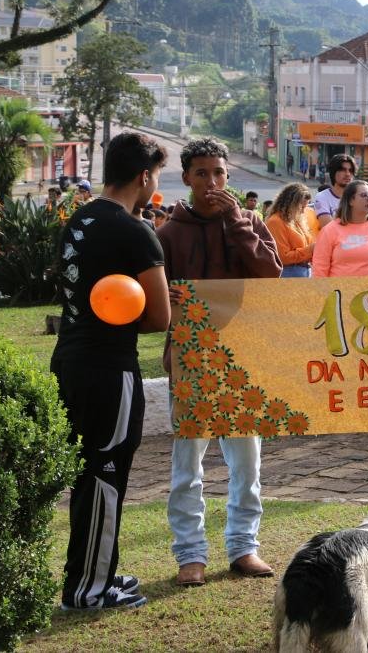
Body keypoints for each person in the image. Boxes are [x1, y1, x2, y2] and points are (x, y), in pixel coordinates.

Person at [52, 131, 171, 610]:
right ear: (144, 177)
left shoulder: (79, 219)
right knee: (105, 471)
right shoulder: (134, 231)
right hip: (110, 368)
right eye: (156, 178)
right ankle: (88, 589)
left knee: (91, 472)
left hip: (71, 358)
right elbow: (160, 317)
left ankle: (95, 574)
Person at [157, 137, 281, 588]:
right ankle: (190, 554)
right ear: (187, 177)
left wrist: (237, 223)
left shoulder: (247, 220)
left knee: (247, 460)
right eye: (203, 173)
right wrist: (166, 299)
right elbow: (153, 302)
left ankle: (244, 546)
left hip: (243, 358)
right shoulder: (169, 232)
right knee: (187, 463)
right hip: (190, 362)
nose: (213, 182)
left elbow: (271, 276)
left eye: (220, 174)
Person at [312, 179, 368, 277]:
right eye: (364, 195)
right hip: (340, 290)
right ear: (350, 200)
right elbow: (319, 268)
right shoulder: (329, 230)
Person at [265, 183, 316, 278]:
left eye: (306, 207)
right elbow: (282, 257)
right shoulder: (275, 222)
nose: (303, 211)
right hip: (289, 274)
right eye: (302, 207)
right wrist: (310, 250)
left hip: (303, 272)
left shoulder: (296, 220)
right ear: (291, 204)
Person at [312, 154, 355, 234]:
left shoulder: (358, 196)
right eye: (342, 170)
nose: (348, 174)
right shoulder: (322, 197)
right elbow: (328, 228)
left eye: (351, 170)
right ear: (333, 172)